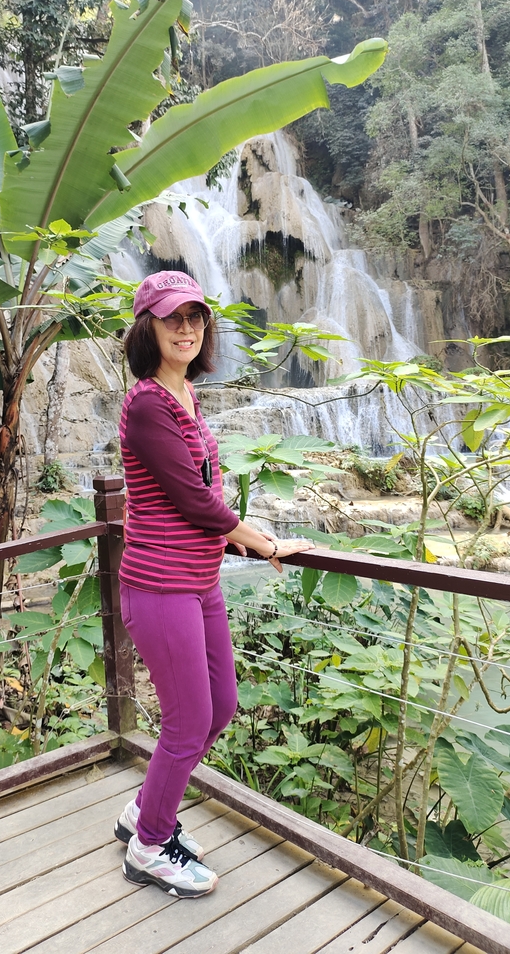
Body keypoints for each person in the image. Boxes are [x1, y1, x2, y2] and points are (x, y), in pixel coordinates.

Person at [114, 270, 314, 899]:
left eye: (196, 317)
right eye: (173, 317)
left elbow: (197, 502)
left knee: (219, 707)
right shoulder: (148, 403)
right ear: (148, 327)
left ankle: (144, 810)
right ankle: (149, 846)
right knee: (187, 721)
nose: (187, 327)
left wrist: (236, 538)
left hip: (198, 579)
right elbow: (196, 500)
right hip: (160, 584)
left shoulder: (186, 399)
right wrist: (265, 541)